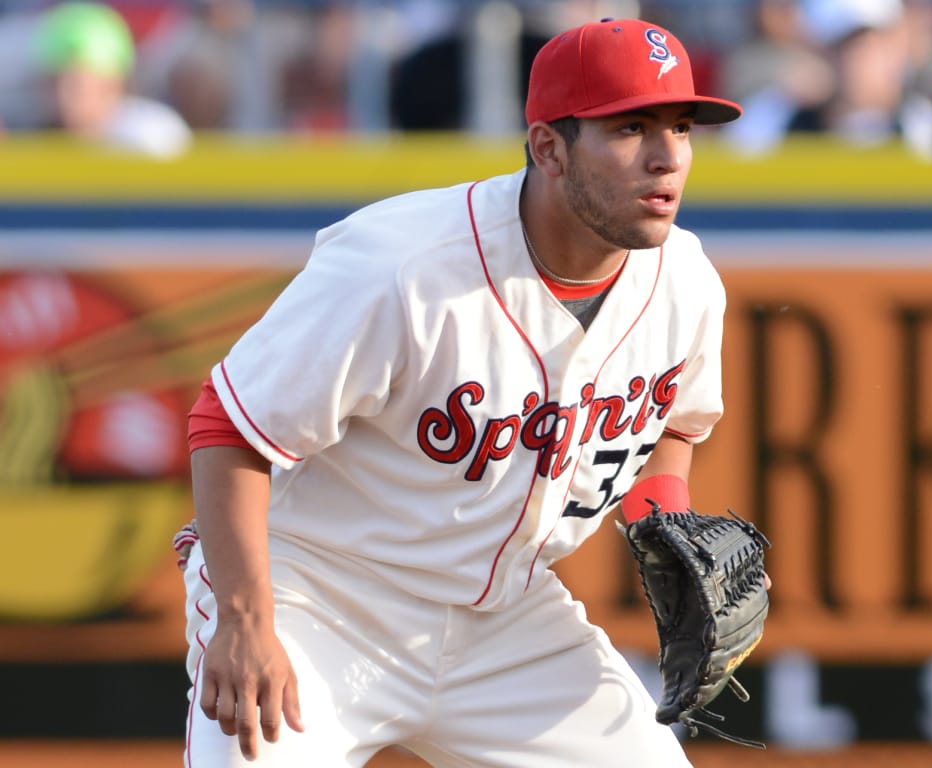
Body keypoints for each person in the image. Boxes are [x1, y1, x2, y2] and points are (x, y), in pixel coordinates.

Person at [174, 17, 743, 767]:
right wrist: (245, 620)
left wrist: (663, 516)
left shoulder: (685, 282)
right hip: (320, 596)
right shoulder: (402, 265)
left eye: (681, 125)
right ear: (548, 147)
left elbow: (679, 422)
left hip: (505, 617)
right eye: (631, 127)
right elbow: (229, 426)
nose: (667, 157)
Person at [31, 1, 191, 157]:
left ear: (112, 83)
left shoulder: (154, 137)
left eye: (77, 84)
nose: (62, 95)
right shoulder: (37, 141)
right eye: (54, 82)